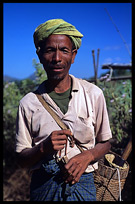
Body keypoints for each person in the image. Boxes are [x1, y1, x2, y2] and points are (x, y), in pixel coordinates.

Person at [15, 19, 112, 201]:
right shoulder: (28, 103)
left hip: (85, 185)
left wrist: (88, 156)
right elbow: (21, 160)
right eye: (50, 50)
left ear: (73, 55)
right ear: (40, 54)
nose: (57, 58)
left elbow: (106, 142)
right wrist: (43, 147)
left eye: (64, 51)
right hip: (44, 188)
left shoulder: (93, 94)